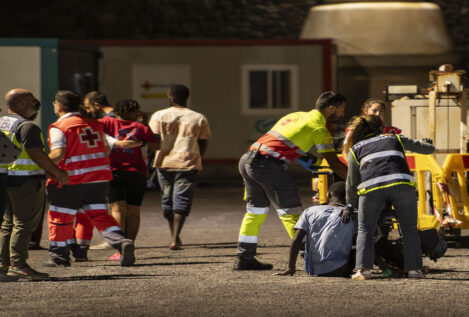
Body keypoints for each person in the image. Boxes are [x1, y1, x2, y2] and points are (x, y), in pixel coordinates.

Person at [234, 91, 348, 270]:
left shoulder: (296, 116)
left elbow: (292, 150)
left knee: (255, 212)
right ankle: (311, 257)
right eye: (341, 109)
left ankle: (244, 257)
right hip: (267, 167)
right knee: (291, 212)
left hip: (247, 160)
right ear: (331, 108)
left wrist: (318, 164)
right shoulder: (318, 127)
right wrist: (354, 180)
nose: (342, 114)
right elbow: (334, 163)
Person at [43, 90, 135, 268]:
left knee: (60, 216)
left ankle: (59, 256)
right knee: (99, 215)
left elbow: (58, 152)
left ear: (58, 106)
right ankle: (121, 241)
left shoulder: (60, 126)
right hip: (99, 179)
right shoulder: (94, 124)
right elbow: (106, 148)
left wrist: (43, 166)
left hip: (70, 180)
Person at [342, 114, 435, 280]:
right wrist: (428, 142)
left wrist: (349, 205)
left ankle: (363, 271)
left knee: (365, 229)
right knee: (409, 229)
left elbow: (351, 182)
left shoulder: (355, 149)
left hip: (371, 189)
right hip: (402, 185)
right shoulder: (394, 138)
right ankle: (414, 270)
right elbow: (427, 149)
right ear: (381, 128)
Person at [0, 89, 69, 281]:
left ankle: (3, 265)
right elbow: (36, 154)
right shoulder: (27, 127)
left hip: (6, 179)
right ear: (22, 104)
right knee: (24, 224)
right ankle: (19, 265)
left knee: (7, 224)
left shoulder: (3, 122)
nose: (35, 105)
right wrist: (57, 172)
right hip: (26, 181)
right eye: (31, 102)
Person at [149, 84, 211, 250]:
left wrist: (151, 160)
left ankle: (173, 235)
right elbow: (203, 142)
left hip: (164, 162)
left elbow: (153, 141)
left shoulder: (158, 116)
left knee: (167, 198)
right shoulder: (198, 118)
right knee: (182, 199)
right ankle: (175, 238)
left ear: (170, 97)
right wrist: (200, 158)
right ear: (186, 97)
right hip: (188, 162)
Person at [100, 99, 158, 261]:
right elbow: (156, 146)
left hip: (114, 171)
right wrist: (144, 129)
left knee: (118, 210)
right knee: (134, 211)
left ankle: (120, 247)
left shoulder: (105, 123)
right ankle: (130, 243)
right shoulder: (140, 127)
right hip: (137, 172)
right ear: (136, 112)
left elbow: (91, 128)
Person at [274, 181, 356, 277]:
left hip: (314, 269)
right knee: (363, 244)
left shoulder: (310, 211)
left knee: (306, 245)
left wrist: (290, 268)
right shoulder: (353, 215)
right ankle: (363, 270)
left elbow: (296, 240)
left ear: (328, 195)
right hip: (341, 269)